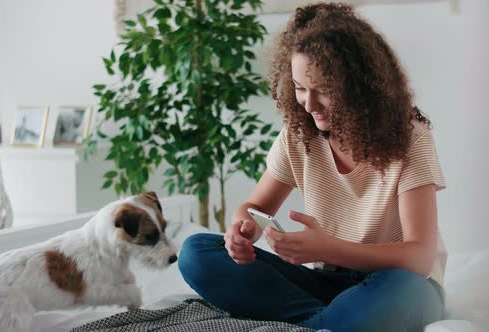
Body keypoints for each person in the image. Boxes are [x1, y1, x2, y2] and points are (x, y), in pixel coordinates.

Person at [178, 3, 447, 332]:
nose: (308, 103)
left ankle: (323, 321)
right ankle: (327, 323)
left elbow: (419, 257)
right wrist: (242, 229)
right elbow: (254, 207)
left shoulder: (409, 139)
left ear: (359, 86)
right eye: (300, 88)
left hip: (397, 282)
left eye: (324, 91)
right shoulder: (299, 134)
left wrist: (332, 249)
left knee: (399, 294)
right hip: (327, 283)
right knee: (197, 252)